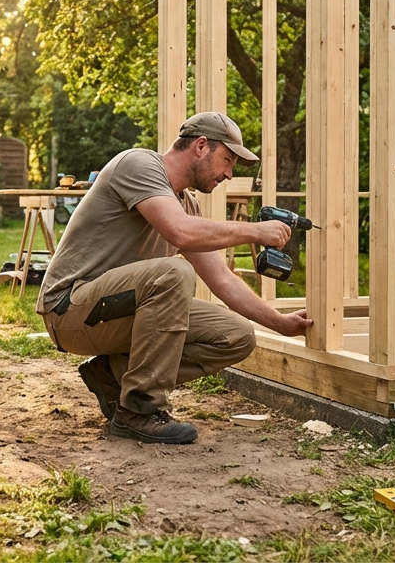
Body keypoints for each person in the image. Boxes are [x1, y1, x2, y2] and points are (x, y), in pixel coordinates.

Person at [38, 112, 312, 444]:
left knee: (236, 336)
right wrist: (254, 232)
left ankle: (113, 375)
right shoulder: (137, 165)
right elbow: (180, 233)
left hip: (114, 313)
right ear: (200, 146)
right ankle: (138, 409)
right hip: (70, 310)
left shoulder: (187, 205)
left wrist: (280, 323)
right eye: (227, 160)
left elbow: (222, 280)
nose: (228, 174)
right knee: (175, 272)